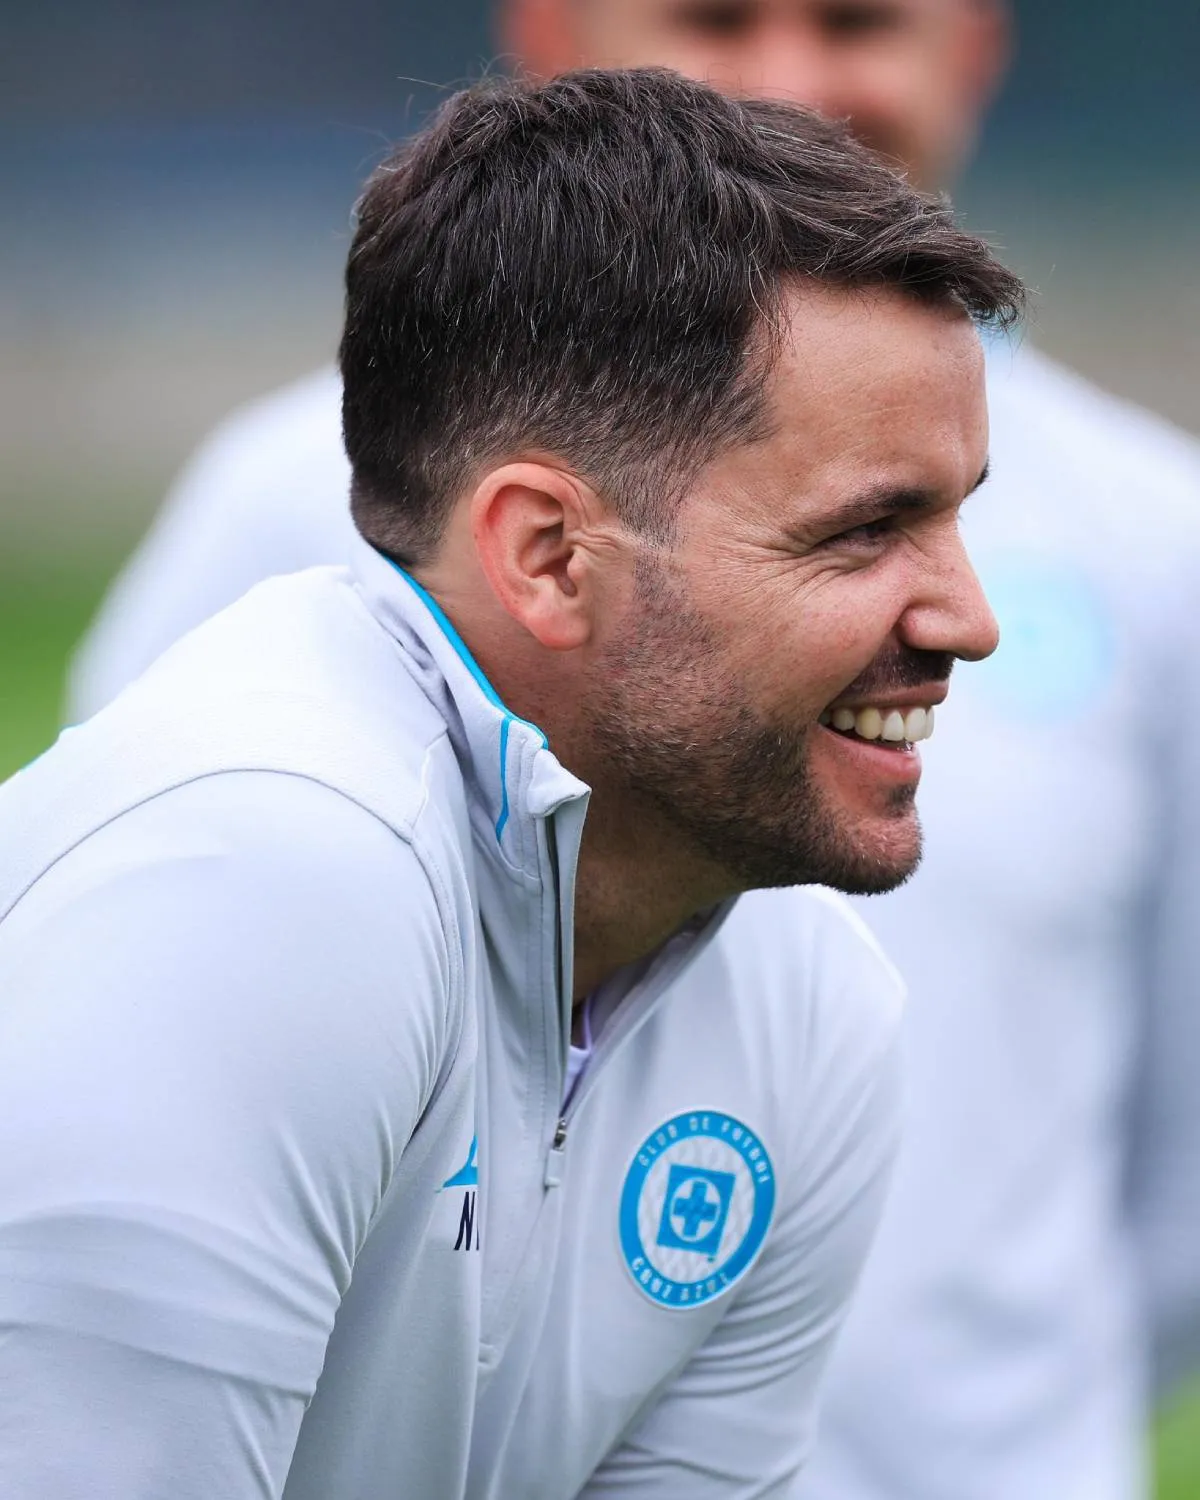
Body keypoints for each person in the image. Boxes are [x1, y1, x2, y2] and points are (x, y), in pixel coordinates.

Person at [65, 6, 1200, 1497]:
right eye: (863, 529)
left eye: (856, 20)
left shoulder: (810, 994)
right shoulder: (267, 782)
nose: (792, 82)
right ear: (533, 553)